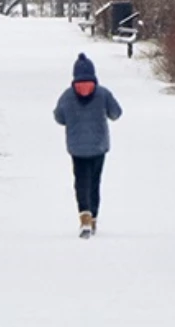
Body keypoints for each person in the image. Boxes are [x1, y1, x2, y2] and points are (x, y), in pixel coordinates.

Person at [53, 52, 123, 238]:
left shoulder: (67, 96)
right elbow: (116, 113)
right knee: (94, 182)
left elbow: (59, 118)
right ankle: (93, 219)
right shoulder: (103, 93)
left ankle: (84, 216)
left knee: (80, 181)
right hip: (98, 146)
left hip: (77, 148)